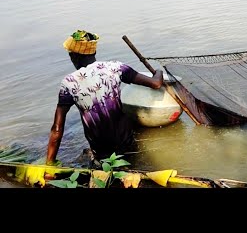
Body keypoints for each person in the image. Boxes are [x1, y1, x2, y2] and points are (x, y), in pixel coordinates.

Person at [45, 30, 164, 172]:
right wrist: (158, 71)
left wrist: (49, 164)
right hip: (126, 142)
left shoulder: (69, 83)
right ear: (93, 53)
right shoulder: (115, 68)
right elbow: (156, 84)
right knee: (132, 168)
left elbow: (57, 129)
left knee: (105, 169)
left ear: (73, 56)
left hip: (101, 150)